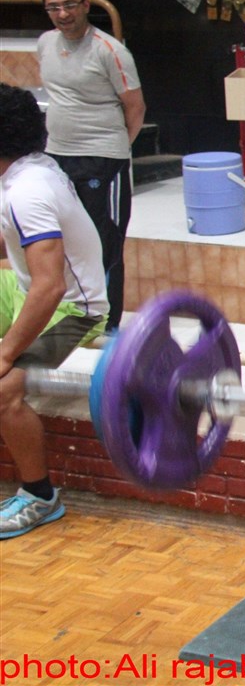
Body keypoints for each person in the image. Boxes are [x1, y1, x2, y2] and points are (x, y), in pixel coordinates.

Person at [0, 84, 109, 540]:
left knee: (3, 391)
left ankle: (39, 496)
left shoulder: (28, 191)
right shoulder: (26, 171)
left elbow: (51, 286)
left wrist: (6, 353)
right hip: (30, 289)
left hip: (75, 311)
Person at [37, 0, 144, 332]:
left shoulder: (109, 50)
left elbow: (136, 107)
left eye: (69, 5)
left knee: (105, 242)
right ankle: (71, 315)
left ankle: (106, 326)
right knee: (64, 239)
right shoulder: (46, 43)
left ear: (85, 5)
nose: (62, 13)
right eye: (53, 7)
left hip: (103, 159)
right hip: (57, 157)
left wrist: (117, 150)